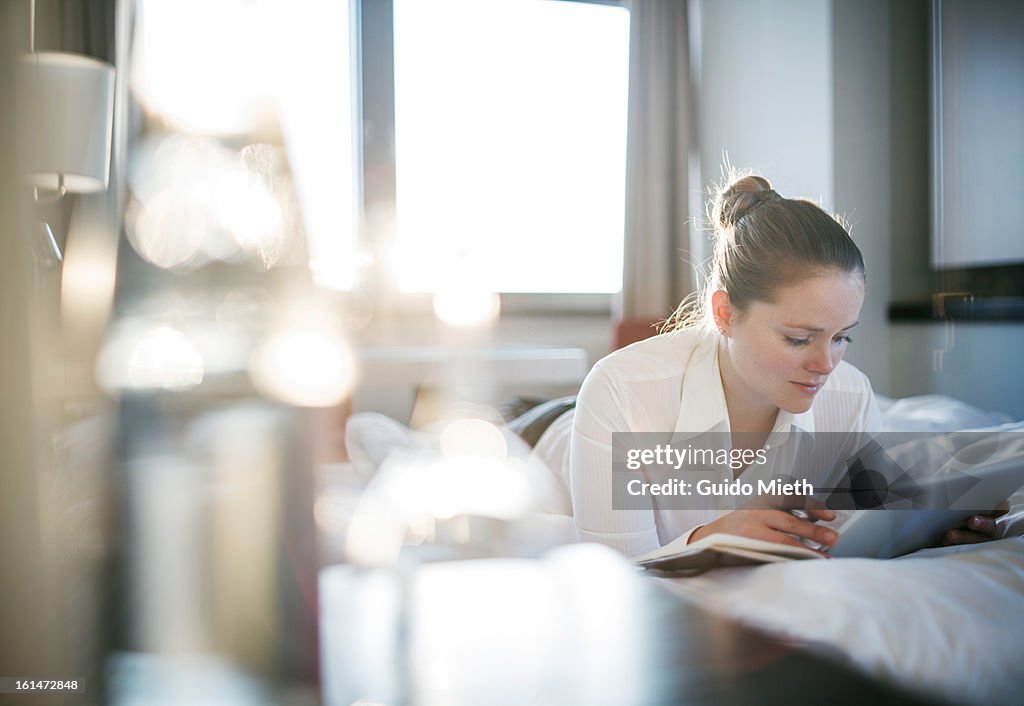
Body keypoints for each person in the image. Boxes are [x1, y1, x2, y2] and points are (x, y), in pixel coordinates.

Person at [569, 172, 1003, 557]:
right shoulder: (620, 391)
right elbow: (612, 578)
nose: (826, 364)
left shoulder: (850, 398)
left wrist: (930, 534)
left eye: (842, 337)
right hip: (557, 425)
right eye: (799, 339)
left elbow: (859, 534)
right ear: (724, 313)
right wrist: (714, 536)